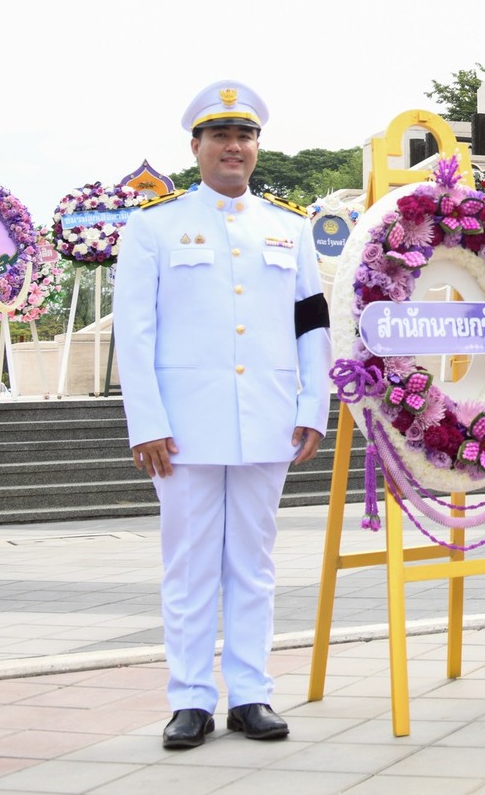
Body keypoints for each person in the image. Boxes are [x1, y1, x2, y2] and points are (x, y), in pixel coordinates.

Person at [115, 81, 333, 749]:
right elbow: (135, 329)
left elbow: (311, 324)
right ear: (196, 147)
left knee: (254, 564)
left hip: (268, 419)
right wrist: (146, 421)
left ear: (257, 146)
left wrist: (313, 405)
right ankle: (188, 698)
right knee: (188, 564)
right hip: (183, 428)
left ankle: (252, 693)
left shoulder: (289, 227)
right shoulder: (154, 225)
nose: (233, 146)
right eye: (219, 135)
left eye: (244, 135)